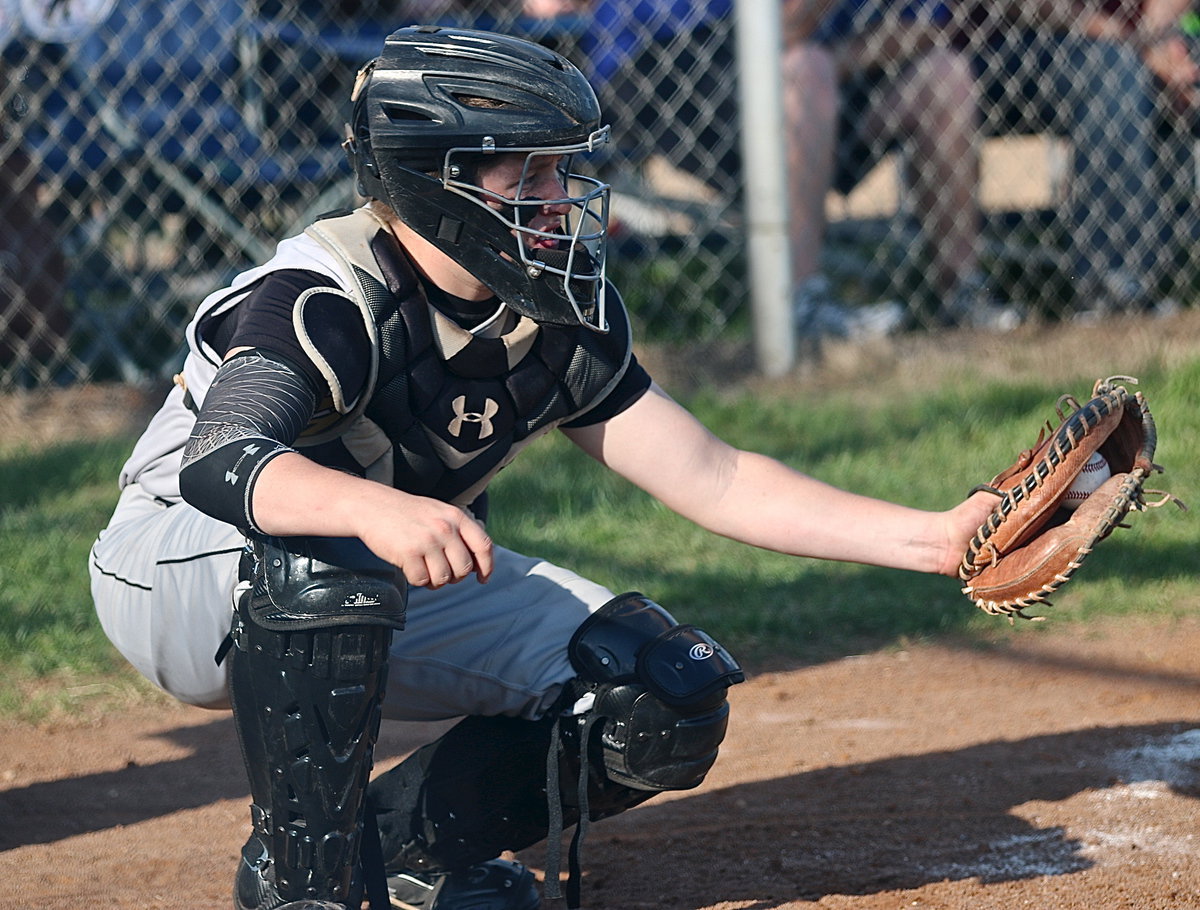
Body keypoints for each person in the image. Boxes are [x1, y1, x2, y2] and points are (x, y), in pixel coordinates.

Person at [88, 25, 996, 910]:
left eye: (561, 167)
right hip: (179, 569)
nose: (559, 195)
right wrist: (375, 510)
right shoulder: (325, 293)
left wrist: (937, 540)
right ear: (435, 179)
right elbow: (224, 463)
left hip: (368, 570)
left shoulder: (553, 308)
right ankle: (304, 890)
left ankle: (392, 854)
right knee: (332, 560)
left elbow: (715, 477)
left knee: (657, 693)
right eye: (528, 171)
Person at [784, 0, 1025, 335]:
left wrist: (855, 54)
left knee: (947, 72)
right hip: (746, 95)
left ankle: (962, 291)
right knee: (808, 67)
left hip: (852, 81)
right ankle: (801, 302)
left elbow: (934, 33)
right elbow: (778, 34)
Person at [969, 0, 1197, 319]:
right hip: (1019, 43)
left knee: (1135, 66)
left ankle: (1181, 263)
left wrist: (1155, 34)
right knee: (1113, 73)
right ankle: (1115, 287)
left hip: (1138, 39)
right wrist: (1135, 44)